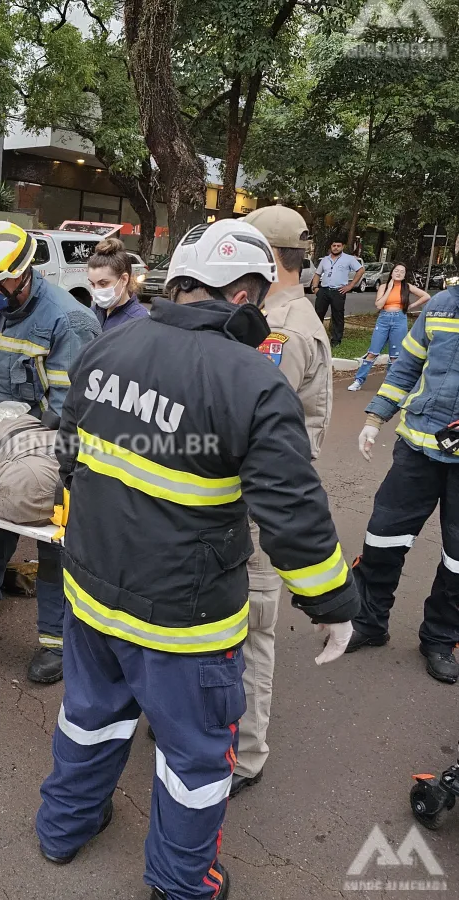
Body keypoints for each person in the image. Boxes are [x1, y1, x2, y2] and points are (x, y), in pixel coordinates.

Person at [36, 219, 358, 900]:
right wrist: (333, 605)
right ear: (245, 294)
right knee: (196, 762)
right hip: (185, 623)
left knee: (89, 718)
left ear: (178, 283)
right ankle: (182, 884)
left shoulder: (107, 347)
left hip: (91, 594)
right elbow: (293, 514)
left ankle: (62, 829)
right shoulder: (252, 381)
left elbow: (70, 457)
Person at [0, 221, 100, 684]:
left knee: (54, 544)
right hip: (0, 434)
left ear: (20, 274)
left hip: (54, 446)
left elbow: (69, 412)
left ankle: (56, 643)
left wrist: (17, 453)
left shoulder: (68, 322)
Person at [228, 205, 334, 798]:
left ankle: (245, 754)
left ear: (265, 258)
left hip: (262, 501)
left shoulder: (281, 331)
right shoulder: (274, 316)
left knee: (253, 626)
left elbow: (252, 418)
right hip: (251, 494)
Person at [348, 278, 459, 684]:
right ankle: (369, 621)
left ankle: (441, 638)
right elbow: (408, 366)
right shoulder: (442, 305)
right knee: (382, 537)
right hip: (417, 447)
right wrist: (375, 418)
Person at [348, 264, 430, 391]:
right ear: (391, 273)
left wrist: (410, 306)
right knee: (372, 352)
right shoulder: (383, 286)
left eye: (402, 271)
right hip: (384, 319)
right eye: (396, 271)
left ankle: (391, 383)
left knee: (395, 356)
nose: (399, 273)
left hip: (399, 319)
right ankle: (358, 380)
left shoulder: (406, 287)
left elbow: (426, 296)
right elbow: (379, 305)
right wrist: (389, 288)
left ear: (404, 275)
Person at [310, 238, 365, 348]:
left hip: (338, 291)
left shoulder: (348, 259)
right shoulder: (325, 259)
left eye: (338, 246)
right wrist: (315, 287)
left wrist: (350, 285)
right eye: (334, 245)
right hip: (324, 290)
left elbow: (361, 270)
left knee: (337, 316)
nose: (335, 248)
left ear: (342, 247)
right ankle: (314, 338)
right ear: (331, 246)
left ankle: (336, 341)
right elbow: (317, 274)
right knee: (317, 314)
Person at [86, 237, 149, 331]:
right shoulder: (93, 312)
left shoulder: (139, 321)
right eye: (93, 284)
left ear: (124, 279)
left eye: (103, 284)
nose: (96, 290)